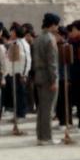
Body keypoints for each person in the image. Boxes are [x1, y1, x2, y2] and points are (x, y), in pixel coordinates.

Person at [32, 13, 60, 144]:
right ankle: (46, 137)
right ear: (53, 24)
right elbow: (52, 62)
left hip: (38, 75)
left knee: (41, 108)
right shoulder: (50, 39)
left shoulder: (37, 38)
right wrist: (54, 79)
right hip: (48, 77)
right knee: (48, 109)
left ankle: (40, 136)